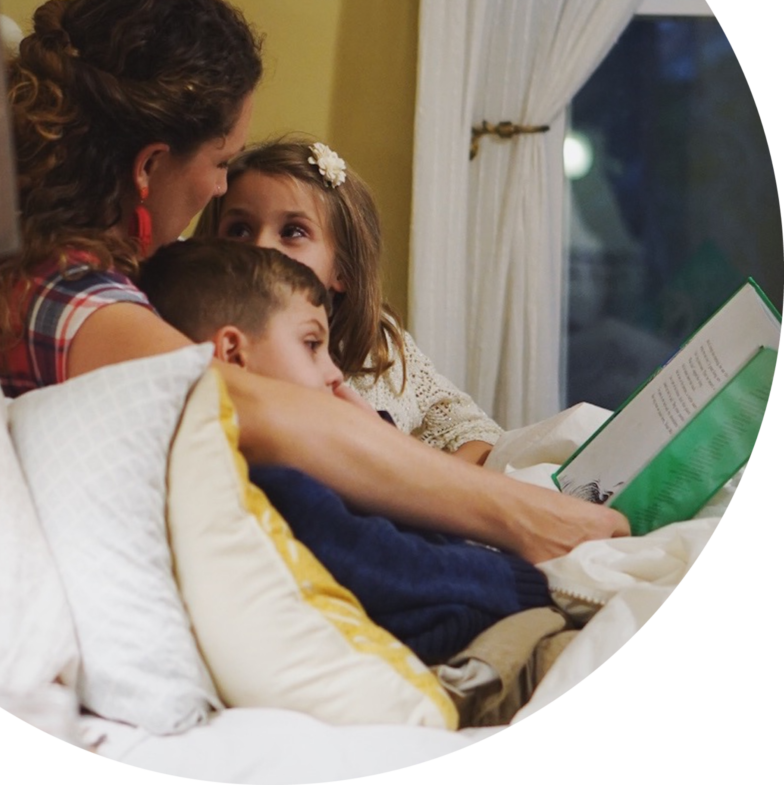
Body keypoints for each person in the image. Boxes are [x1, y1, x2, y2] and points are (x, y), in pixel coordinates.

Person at [0, 0, 629, 564]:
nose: (220, 191)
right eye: (222, 164)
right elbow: (268, 417)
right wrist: (524, 516)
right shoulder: (66, 295)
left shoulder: (50, 267)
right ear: (149, 166)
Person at [138, 238, 555, 667]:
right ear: (233, 354)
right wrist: (533, 581)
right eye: (312, 344)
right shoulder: (268, 481)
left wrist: (379, 437)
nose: (334, 372)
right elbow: (393, 568)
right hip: (450, 645)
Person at [195, 136, 498, 465]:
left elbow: (475, 431)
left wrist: (427, 479)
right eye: (239, 230)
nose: (261, 247)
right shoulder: (200, 345)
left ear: (342, 271)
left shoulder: (380, 345)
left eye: (293, 231)